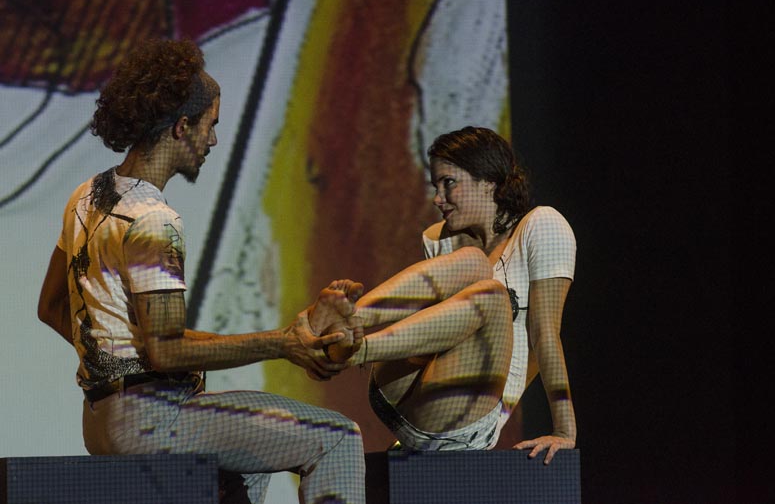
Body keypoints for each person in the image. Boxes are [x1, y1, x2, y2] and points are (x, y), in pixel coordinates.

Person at [37, 38, 365, 504]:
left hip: (102, 422)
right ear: (181, 126)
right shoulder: (154, 220)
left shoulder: (87, 195)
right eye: (210, 126)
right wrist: (282, 343)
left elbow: (52, 308)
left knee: (248, 460)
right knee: (338, 437)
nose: (212, 141)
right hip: (153, 422)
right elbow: (167, 351)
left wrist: (114, 365)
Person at [310, 126, 576, 464]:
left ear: (488, 182)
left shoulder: (543, 226)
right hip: (395, 392)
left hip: (462, 418)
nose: (438, 198)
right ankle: (349, 322)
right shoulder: (440, 238)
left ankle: (352, 351)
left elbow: (545, 335)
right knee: (472, 261)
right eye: (436, 186)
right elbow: (435, 330)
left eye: (449, 183)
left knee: (492, 295)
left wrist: (565, 430)